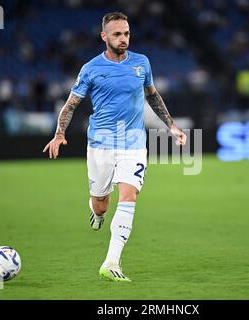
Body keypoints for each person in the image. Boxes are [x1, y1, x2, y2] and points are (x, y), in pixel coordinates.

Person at [43, 12, 187, 282]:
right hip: (100, 144)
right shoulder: (91, 68)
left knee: (129, 195)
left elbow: (152, 96)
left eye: (127, 33)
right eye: (117, 34)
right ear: (104, 36)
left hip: (133, 143)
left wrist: (171, 126)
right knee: (101, 204)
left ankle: (111, 261)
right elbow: (71, 103)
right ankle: (96, 212)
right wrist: (59, 133)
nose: (123, 39)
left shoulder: (142, 63)